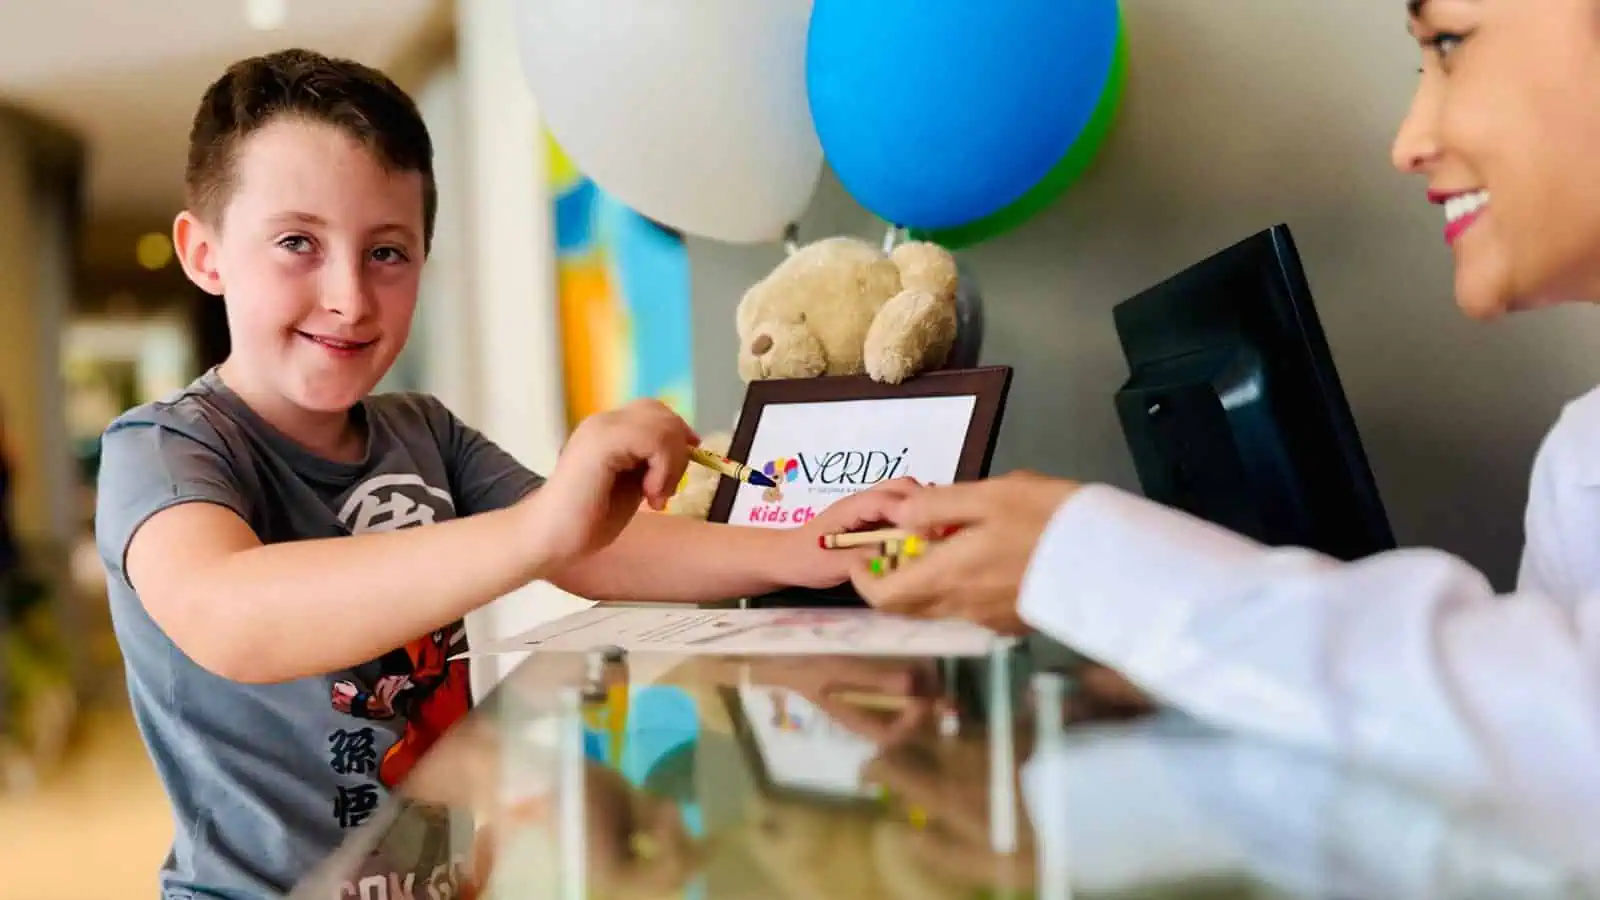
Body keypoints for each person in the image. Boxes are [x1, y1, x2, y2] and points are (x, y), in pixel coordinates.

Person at [94, 49, 908, 900]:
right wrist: (543, 525)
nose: (349, 297)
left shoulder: (424, 432)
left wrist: (801, 549)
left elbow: (594, 545)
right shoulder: (163, 449)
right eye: (298, 242)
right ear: (205, 253)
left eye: (388, 252)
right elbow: (231, 616)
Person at [855, 0, 1600, 807]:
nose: (1410, 142)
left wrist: (1091, 565)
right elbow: (1514, 805)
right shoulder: (1579, 456)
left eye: (1450, 45)